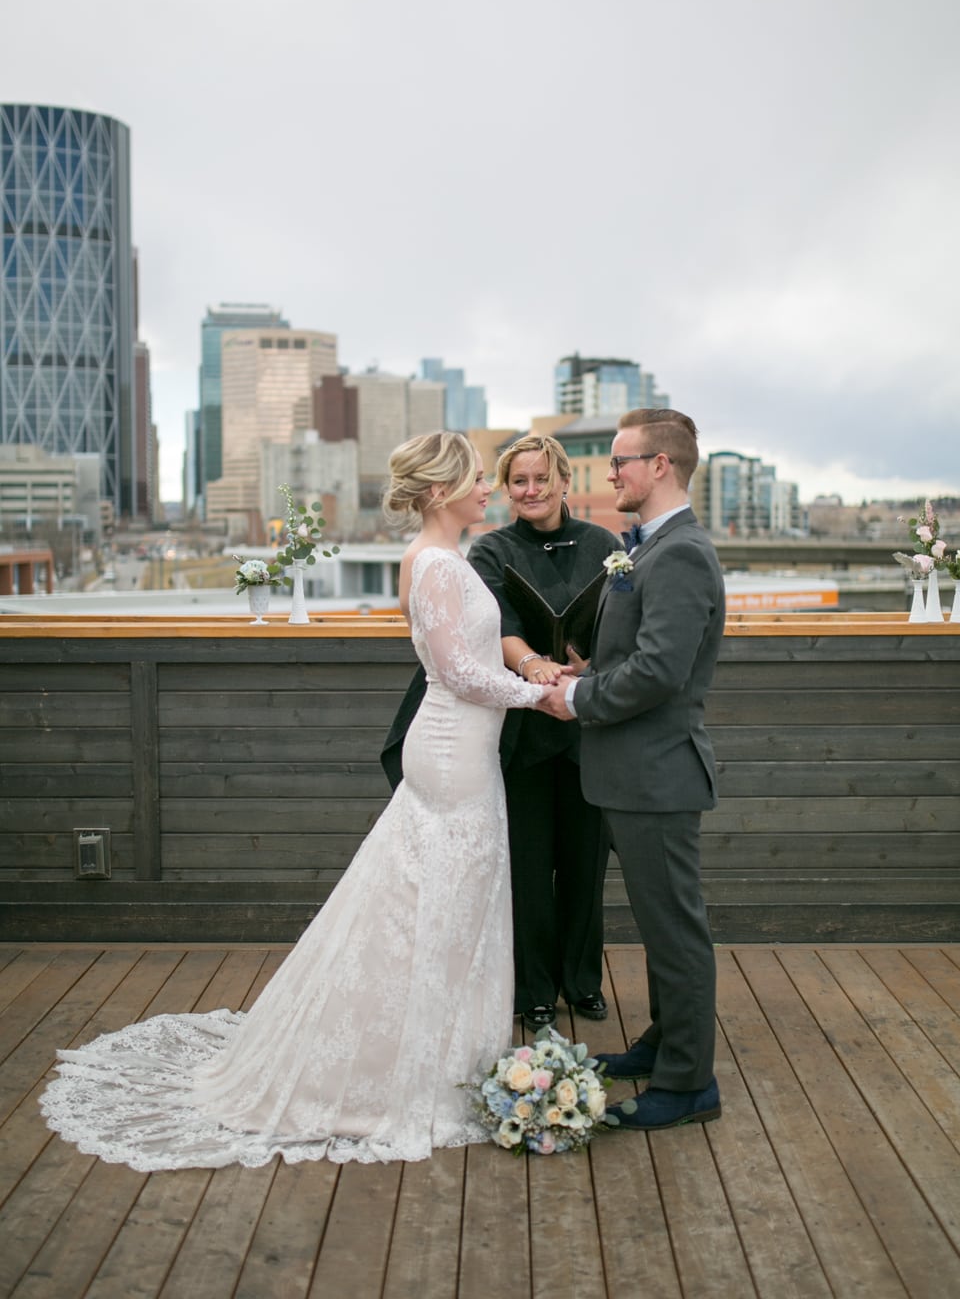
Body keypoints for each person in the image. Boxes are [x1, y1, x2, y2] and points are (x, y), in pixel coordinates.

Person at [39, 433, 551, 1170]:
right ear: (439, 491)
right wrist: (542, 696)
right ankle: (410, 1069)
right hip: (447, 752)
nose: (488, 490)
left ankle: (444, 1053)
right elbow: (462, 675)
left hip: (467, 755)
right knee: (436, 901)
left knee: (450, 902)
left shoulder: (452, 560)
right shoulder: (434, 565)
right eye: (477, 479)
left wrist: (530, 682)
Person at [539, 408, 725, 1131]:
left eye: (621, 461)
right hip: (630, 772)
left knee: (676, 930)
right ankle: (664, 1043)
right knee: (658, 924)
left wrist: (579, 697)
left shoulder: (679, 552)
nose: (610, 473)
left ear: (661, 467)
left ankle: (688, 1085)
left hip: (658, 775)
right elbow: (637, 657)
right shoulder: (649, 548)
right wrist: (591, 668)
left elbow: (661, 671)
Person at [466, 434, 624, 1031]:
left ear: (563, 481)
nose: (529, 491)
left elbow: (620, 623)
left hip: (587, 726)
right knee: (528, 869)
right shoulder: (490, 549)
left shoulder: (605, 545)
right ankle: (532, 990)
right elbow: (496, 626)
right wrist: (534, 666)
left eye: (539, 479)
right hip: (523, 730)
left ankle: (582, 983)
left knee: (586, 867)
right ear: (508, 489)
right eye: (518, 482)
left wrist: (588, 668)